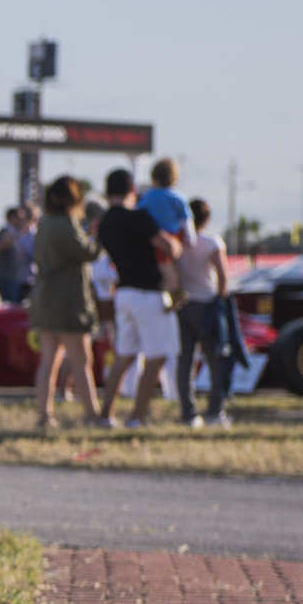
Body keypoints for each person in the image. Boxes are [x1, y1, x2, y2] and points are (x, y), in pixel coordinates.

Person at [95, 168, 184, 427]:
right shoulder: (138, 217)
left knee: (125, 356)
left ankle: (105, 415)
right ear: (132, 189)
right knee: (157, 357)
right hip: (148, 294)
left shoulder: (105, 223)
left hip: (123, 293)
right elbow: (170, 249)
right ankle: (136, 417)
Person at [26, 176, 102, 430]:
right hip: (67, 300)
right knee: (81, 360)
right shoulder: (66, 223)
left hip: (44, 298)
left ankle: (44, 415)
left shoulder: (45, 223)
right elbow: (88, 253)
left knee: (49, 360)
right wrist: (98, 237)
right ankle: (93, 415)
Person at [173, 197, 240, 428]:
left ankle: (188, 413)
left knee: (185, 363)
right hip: (208, 305)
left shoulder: (178, 241)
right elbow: (223, 273)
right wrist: (222, 298)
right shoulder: (212, 241)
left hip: (183, 305)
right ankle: (214, 412)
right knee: (216, 360)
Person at [0, 206, 34, 304]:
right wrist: (16, 235)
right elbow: (1, 246)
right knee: (10, 307)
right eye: (19, 217)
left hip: (16, 278)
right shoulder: (5, 231)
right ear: (12, 218)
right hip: (6, 277)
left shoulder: (21, 233)